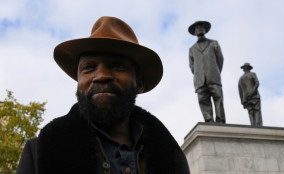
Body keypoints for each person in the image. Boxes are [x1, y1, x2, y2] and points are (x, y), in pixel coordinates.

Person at [17, 16, 190, 174]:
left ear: (139, 83)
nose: (101, 76)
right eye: (88, 68)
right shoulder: (39, 153)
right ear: (79, 82)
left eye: (117, 65)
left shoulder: (173, 159)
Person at [188, 21, 225, 123]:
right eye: (196, 28)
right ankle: (209, 122)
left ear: (205, 30)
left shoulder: (214, 43)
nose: (199, 29)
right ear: (194, 32)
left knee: (218, 99)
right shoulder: (191, 49)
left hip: (213, 77)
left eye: (201, 27)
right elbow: (192, 66)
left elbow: (220, 60)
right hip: (200, 81)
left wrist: (215, 72)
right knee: (203, 101)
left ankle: (220, 121)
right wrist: (199, 74)